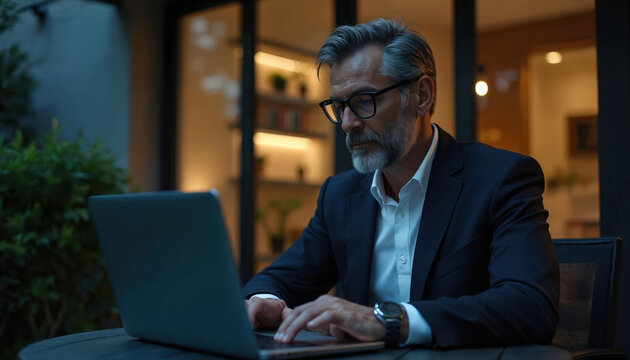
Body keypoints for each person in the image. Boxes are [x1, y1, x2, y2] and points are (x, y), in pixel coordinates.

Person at [242, 18, 559, 349]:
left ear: (421, 95)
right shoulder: (340, 196)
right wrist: (265, 299)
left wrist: (388, 321)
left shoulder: (500, 179)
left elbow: (530, 307)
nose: (348, 123)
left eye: (364, 100)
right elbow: (281, 278)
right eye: (339, 106)